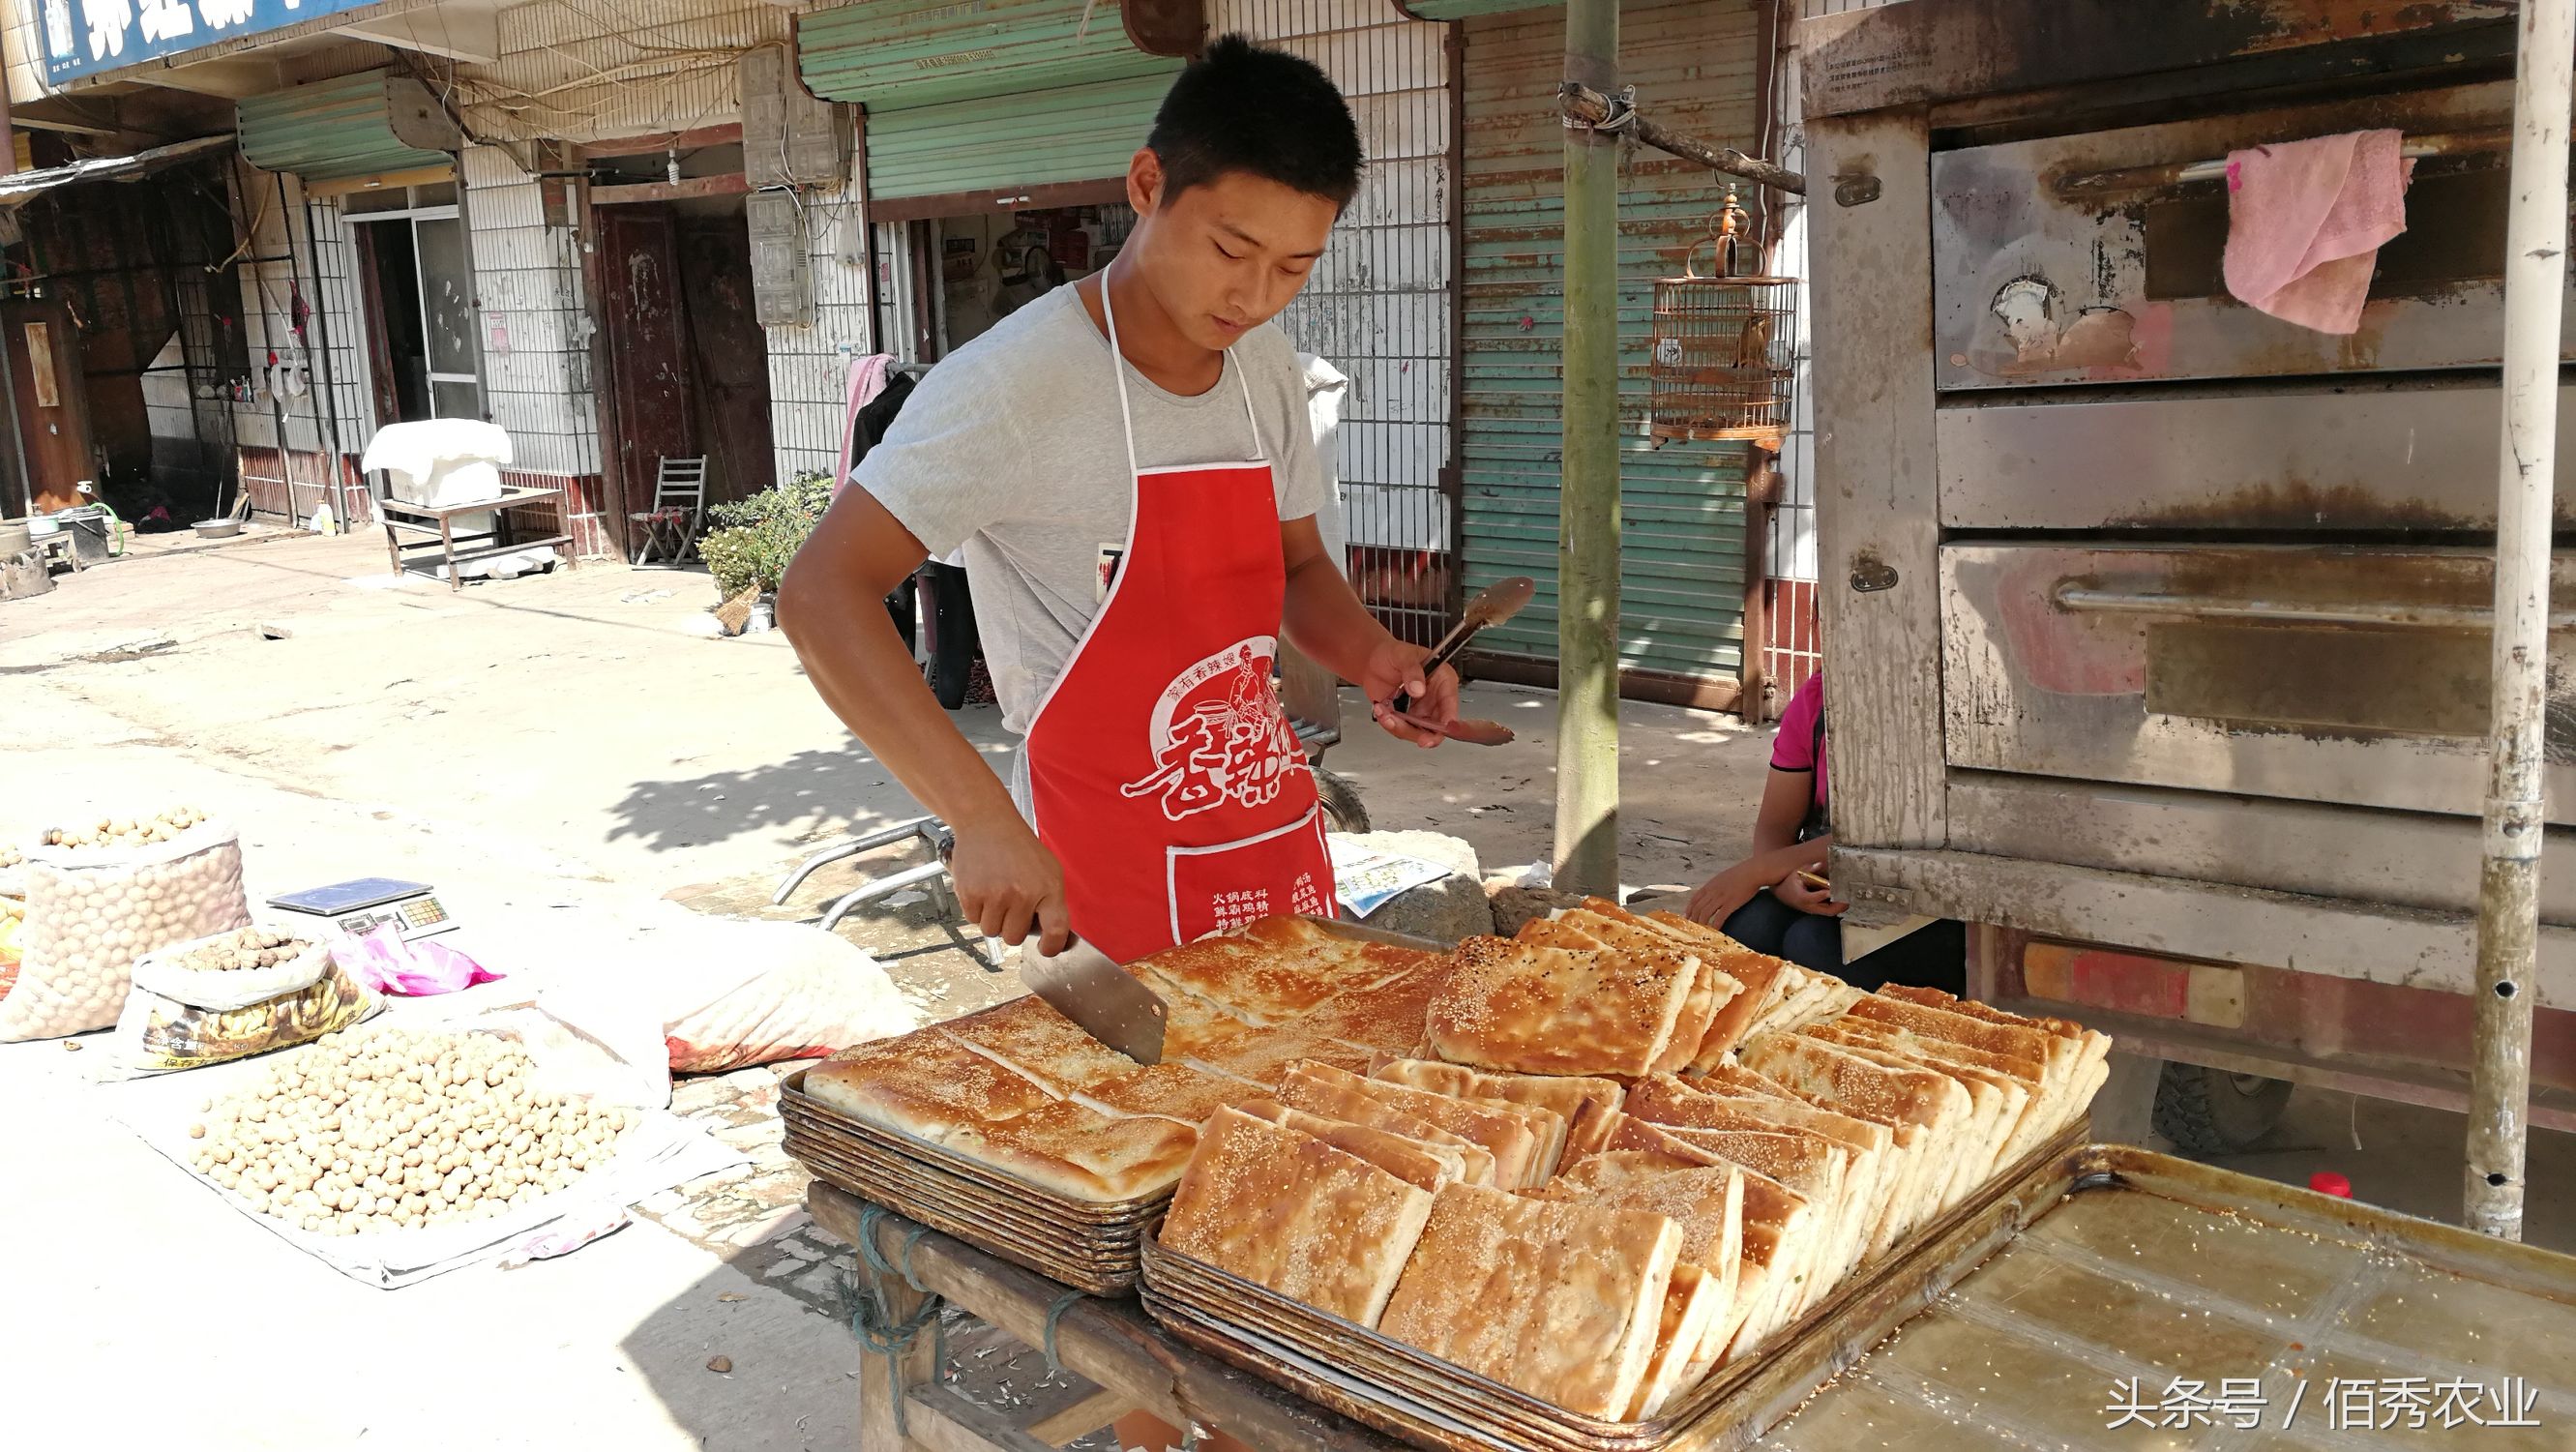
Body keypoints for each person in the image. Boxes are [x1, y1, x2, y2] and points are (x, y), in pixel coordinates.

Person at [779, 38, 1459, 964]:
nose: (1254, 296)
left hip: (1264, 829)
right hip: (1097, 868)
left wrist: (1375, 653)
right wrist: (976, 814)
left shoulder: (1265, 365)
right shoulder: (1015, 385)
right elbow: (821, 593)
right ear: (1146, 185)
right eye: (1230, 248)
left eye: (1294, 267)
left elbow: (1297, 564)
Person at [1684, 672, 1964, 994]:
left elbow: (1890, 833)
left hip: (1931, 906)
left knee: (1813, 945)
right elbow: (1776, 825)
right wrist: (1781, 886)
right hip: (1832, 889)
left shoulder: (1940, 703)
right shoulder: (1816, 699)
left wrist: (1758, 872)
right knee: (1745, 928)